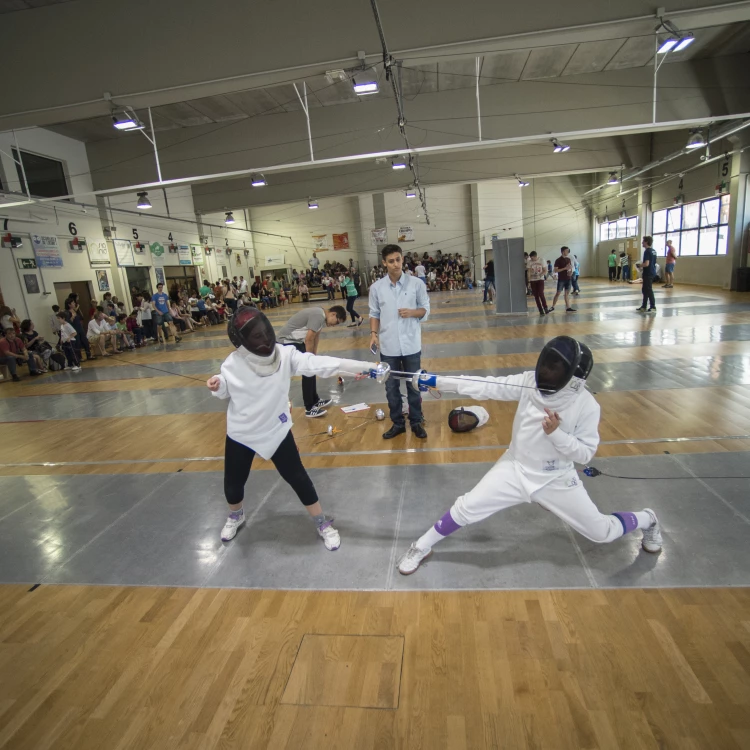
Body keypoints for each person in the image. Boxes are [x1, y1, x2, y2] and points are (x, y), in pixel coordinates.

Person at [396, 337, 664, 575]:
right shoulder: (529, 382)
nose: (545, 372)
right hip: (515, 467)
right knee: (466, 508)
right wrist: (435, 380)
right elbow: (485, 386)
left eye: (555, 369)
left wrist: (557, 434)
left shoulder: (586, 406)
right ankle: (421, 546)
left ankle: (648, 518)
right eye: (546, 365)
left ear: (573, 379)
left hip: (555, 478)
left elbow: (585, 454)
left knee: (602, 532)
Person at [207, 307, 379, 550]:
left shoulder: (285, 355)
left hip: (275, 429)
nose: (265, 338)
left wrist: (364, 368)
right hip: (241, 432)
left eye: (265, 331)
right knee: (233, 483)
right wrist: (218, 385)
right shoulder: (232, 363)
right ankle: (236, 515)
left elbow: (321, 364)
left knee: (298, 477)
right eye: (256, 336)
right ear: (242, 341)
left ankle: (321, 522)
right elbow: (226, 387)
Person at [369, 244, 430, 440]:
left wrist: (412, 312)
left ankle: (416, 421)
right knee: (391, 388)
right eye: (391, 261)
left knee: (414, 385)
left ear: (403, 259)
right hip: (389, 347)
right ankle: (397, 423)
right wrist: (373, 334)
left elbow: (425, 310)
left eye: (398, 259)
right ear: (384, 263)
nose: (396, 264)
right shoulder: (376, 288)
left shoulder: (416, 284)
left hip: (411, 344)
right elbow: (374, 313)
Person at [277, 305, 347, 417]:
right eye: (337, 322)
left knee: (312, 366)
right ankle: (309, 408)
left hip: (296, 341)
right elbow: (309, 339)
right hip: (286, 341)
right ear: (333, 314)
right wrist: (309, 359)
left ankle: (315, 400)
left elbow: (316, 337)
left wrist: (313, 356)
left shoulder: (321, 317)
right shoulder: (318, 316)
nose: (335, 325)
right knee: (308, 369)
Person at [548, 246, 576, 313]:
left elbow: (570, 267)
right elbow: (555, 270)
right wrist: (564, 268)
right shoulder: (558, 260)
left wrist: (570, 272)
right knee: (558, 293)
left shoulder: (568, 259)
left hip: (568, 278)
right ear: (563, 252)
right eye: (567, 251)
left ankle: (568, 307)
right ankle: (553, 306)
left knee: (566, 293)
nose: (568, 252)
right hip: (561, 279)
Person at [637, 236, 658, 314]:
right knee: (645, 289)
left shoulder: (647, 251)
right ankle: (644, 306)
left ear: (646, 242)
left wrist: (639, 265)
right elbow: (654, 262)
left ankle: (653, 306)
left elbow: (646, 264)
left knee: (648, 289)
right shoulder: (654, 251)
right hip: (652, 272)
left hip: (648, 273)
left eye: (643, 241)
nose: (642, 243)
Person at [527, 251, 548, 316]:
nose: (531, 259)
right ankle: (540, 309)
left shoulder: (542, 260)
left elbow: (545, 270)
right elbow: (529, 272)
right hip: (533, 280)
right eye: (531, 258)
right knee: (536, 295)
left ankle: (545, 307)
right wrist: (529, 281)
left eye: (532, 258)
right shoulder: (529, 262)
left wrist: (541, 274)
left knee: (541, 293)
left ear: (536, 256)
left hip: (540, 279)